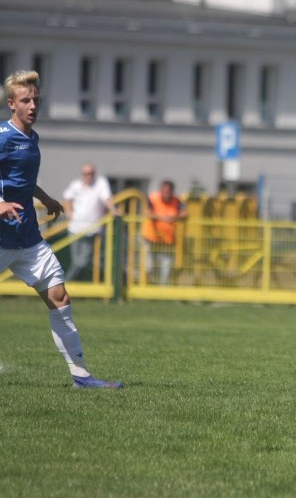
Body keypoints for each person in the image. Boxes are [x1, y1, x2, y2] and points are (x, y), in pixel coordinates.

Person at [0, 70, 122, 388]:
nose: (32, 106)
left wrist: (45, 197)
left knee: (59, 297)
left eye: (36, 100)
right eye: (25, 100)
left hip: (26, 237)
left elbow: (21, 181)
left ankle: (81, 377)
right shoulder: (2, 136)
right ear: (11, 104)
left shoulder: (32, 138)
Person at [62, 163, 118, 281]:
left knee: (81, 262)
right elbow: (67, 198)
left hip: (91, 230)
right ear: (82, 174)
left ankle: (65, 285)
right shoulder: (75, 185)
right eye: (86, 173)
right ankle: (71, 288)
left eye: (91, 173)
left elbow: (107, 198)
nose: (89, 176)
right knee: (77, 262)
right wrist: (68, 211)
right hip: (74, 229)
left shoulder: (101, 183)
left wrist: (113, 210)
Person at [142, 180, 187, 285]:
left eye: (169, 191)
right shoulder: (153, 198)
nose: (166, 194)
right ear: (161, 190)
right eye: (164, 191)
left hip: (168, 239)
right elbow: (147, 212)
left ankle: (163, 288)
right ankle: (147, 286)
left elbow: (185, 214)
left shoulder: (177, 201)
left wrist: (175, 217)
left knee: (166, 265)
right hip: (151, 237)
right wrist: (161, 217)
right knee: (149, 266)